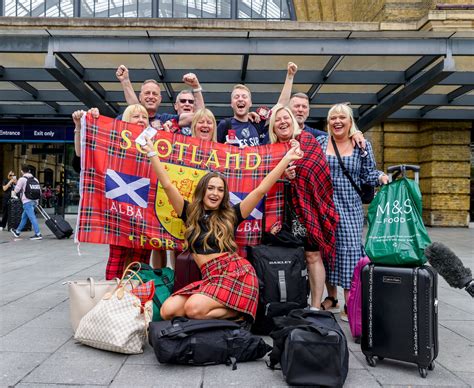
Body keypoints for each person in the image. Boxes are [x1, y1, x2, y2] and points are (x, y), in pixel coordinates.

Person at [142, 135, 304, 322]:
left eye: (220, 190)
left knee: (194, 309)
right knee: (167, 311)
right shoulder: (189, 212)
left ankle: (238, 314)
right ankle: (214, 314)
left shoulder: (232, 215)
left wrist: (286, 159)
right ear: (202, 191)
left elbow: (261, 190)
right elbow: (168, 185)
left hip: (235, 274)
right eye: (211, 188)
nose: (215, 193)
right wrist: (152, 153)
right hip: (211, 277)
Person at [317, 103, 389, 319]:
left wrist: (380, 177)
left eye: (342, 117)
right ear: (328, 122)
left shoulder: (361, 145)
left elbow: (368, 173)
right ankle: (332, 298)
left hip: (350, 207)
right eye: (333, 118)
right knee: (326, 252)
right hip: (324, 206)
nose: (337, 121)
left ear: (350, 122)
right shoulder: (320, 142)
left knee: (349, 252)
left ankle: (352, 304)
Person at [268, 104, 339, 310]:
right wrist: (283, 175)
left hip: (307, 212)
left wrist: (295, 171)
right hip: (281, 213)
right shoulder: (271, 151)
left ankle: (315, 306)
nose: (282, 122)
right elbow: (264, 181)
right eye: (277, 120)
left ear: (292, 120)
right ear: (273, 127)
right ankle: (290, 302)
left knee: (312, 255)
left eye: (285, 118)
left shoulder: (307, 140)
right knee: (285, 258)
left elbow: (317, 171)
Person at [72, 104, 153, 279]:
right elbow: (82, 155)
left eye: (144, 117)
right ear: (125, 120)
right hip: (120, 208)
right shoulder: (113, 139)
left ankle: (139, 297)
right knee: (118, 256)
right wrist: (81, 126)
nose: (140, 120)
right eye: (136, 116)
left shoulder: (156, 142)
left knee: (142, 259)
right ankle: (111, 296)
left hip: (145, 210)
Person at [277, 62, 366, 148]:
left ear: (308, 111)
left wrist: (354, 133)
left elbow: (339, 137)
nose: (300, 110)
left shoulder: (317, 136)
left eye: (304, 107)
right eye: (297, 106)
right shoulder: (277, 131)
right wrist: (289, 77)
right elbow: (280, 106)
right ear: (288, 109)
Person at [116, 65, 202, 132]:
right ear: (140, 97)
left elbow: (199, 117)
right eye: (147, 93)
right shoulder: (123, 119)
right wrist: (125, 81)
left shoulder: (166, 120)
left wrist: (196, 87)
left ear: (160, 99)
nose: (151, 96)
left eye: (154, 94)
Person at [11, 165, 43, 240]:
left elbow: (16, 190)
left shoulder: (22, 179)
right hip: (34, 201)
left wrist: (13, 192)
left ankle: (38, 234)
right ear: (29, 171)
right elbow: (39, 192)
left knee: (32, 218)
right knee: (24, 217)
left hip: (27, 201)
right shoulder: (35, 179)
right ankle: (17, 232)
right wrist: (37, 202)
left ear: (22, 171)